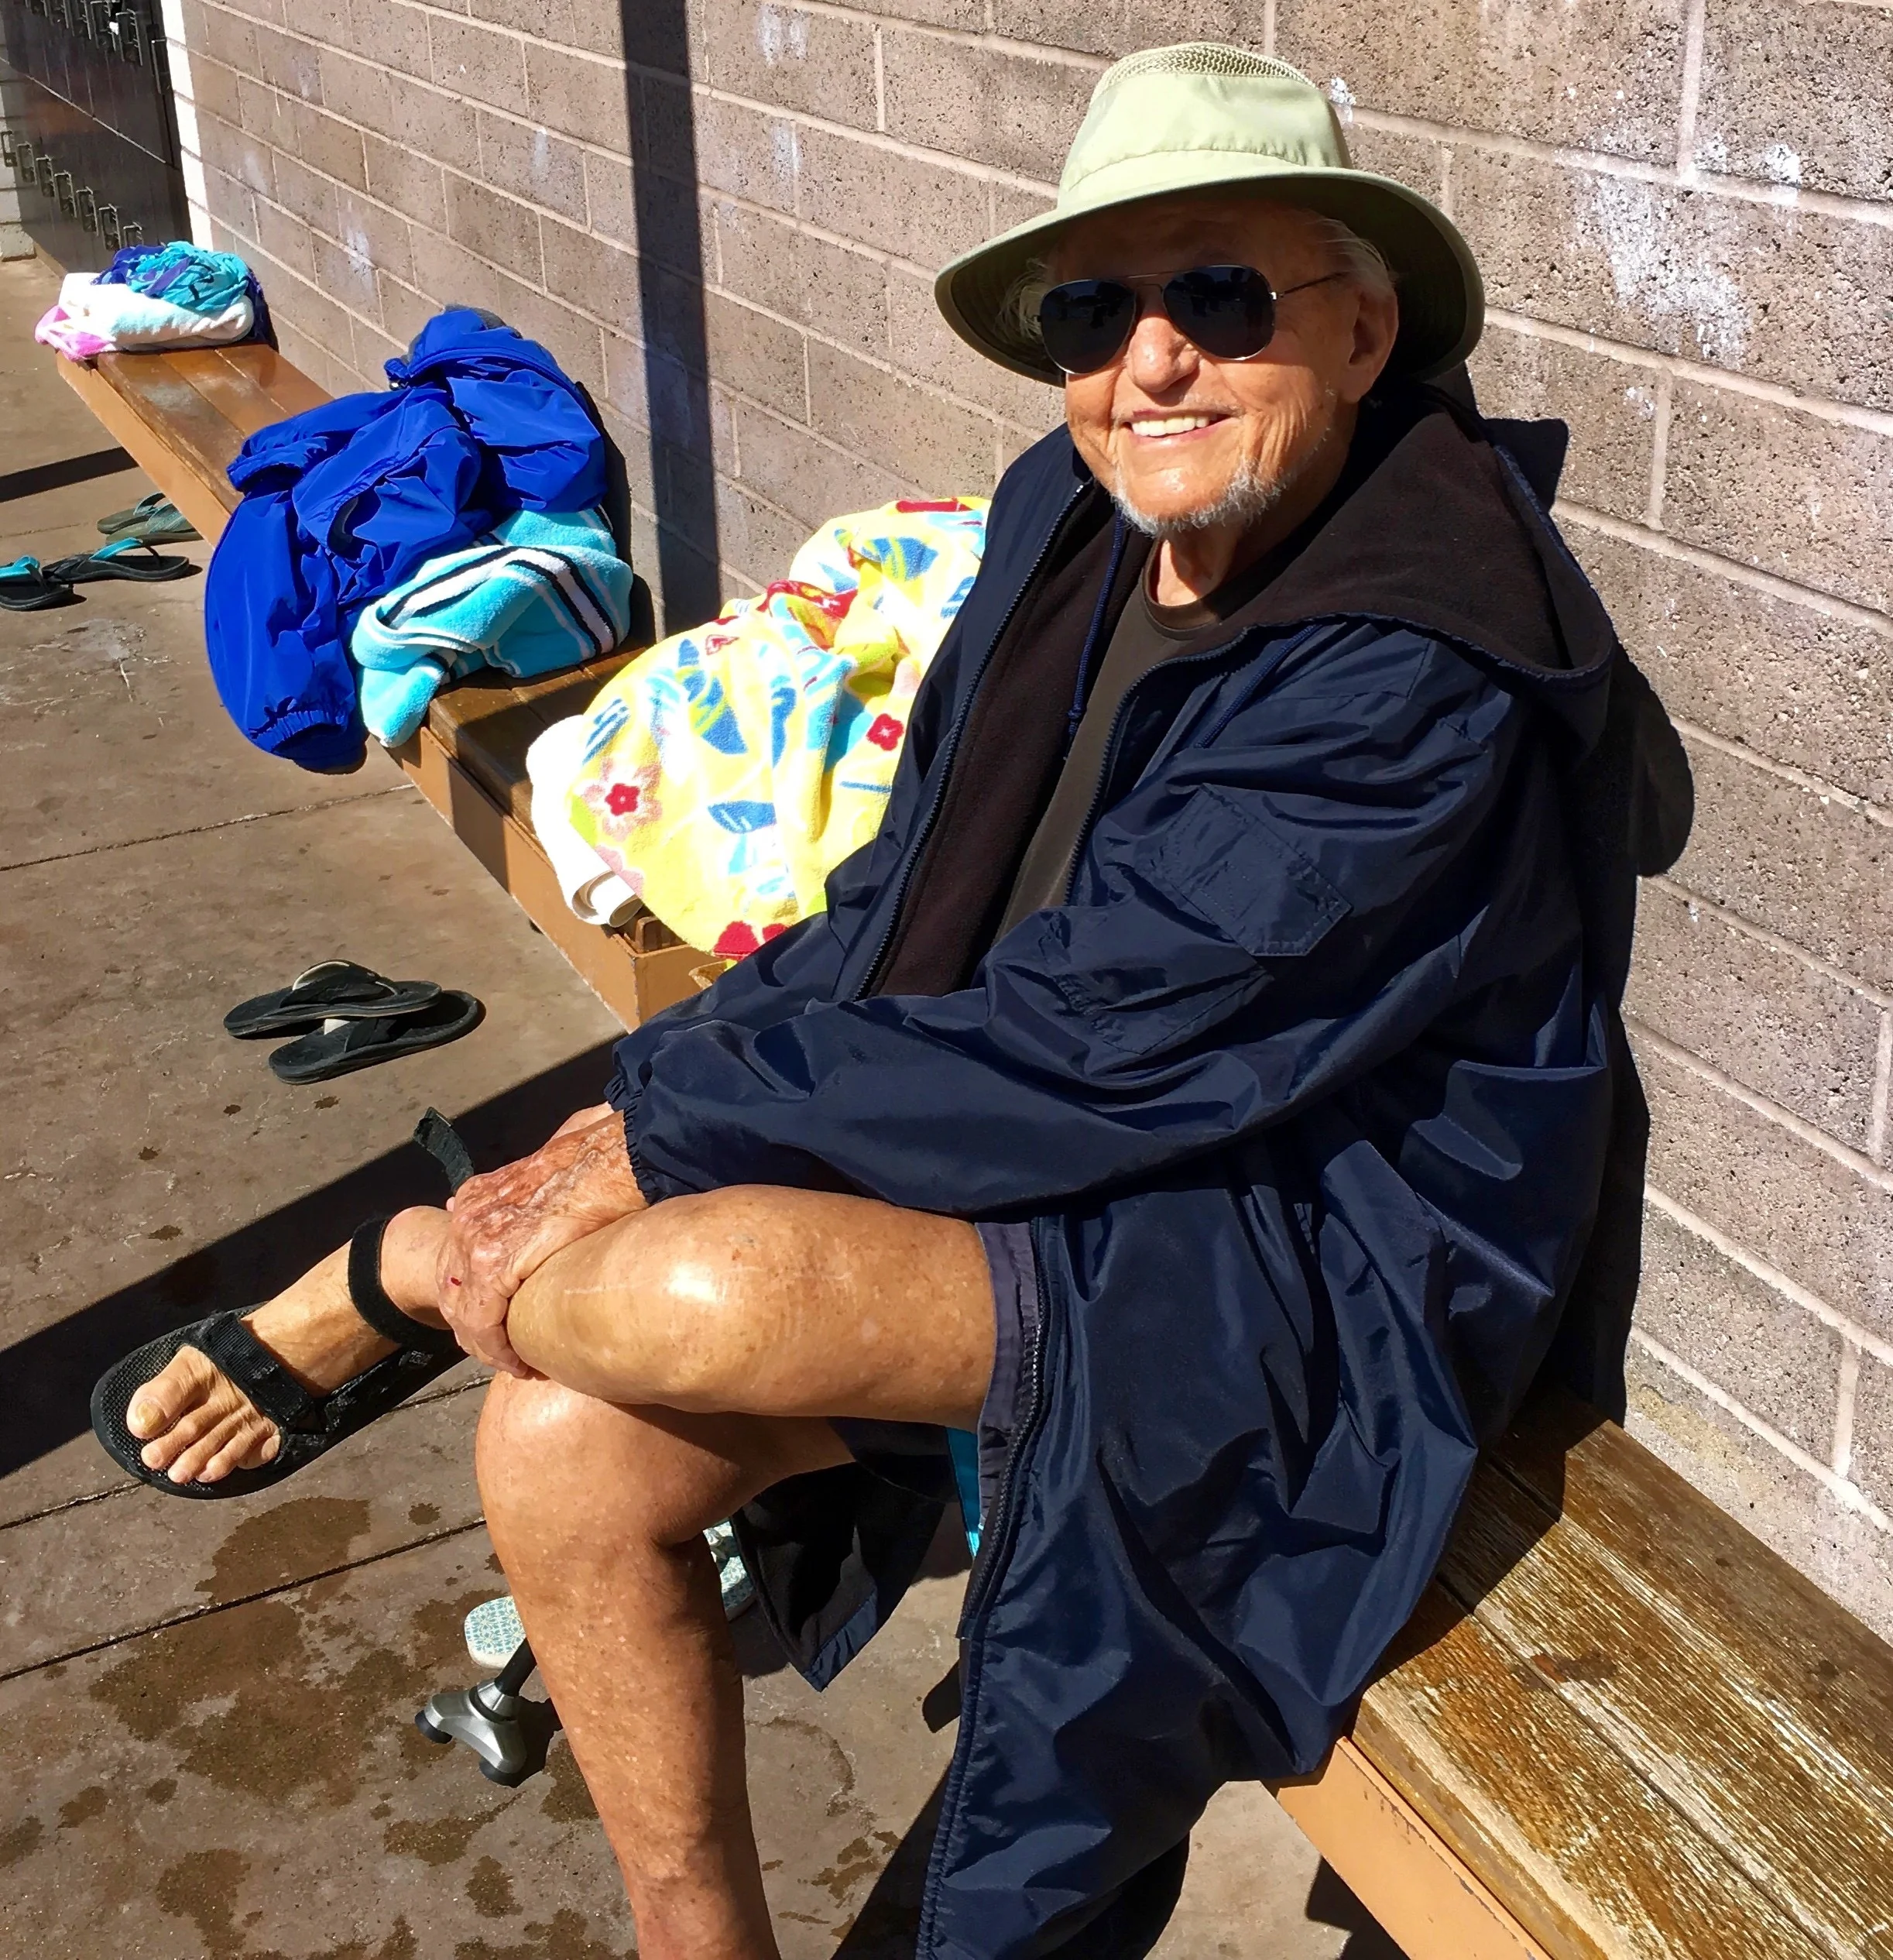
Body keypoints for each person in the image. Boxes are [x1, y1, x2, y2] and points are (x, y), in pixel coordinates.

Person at [95, 46, 1687, 1960]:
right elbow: (898, 902)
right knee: (558, 1445)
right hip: (1064, 1141)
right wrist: (626, 1112)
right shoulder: (1073, 522)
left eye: (1222, 296)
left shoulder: (1412, 653)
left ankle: (411, 1262)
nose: (1151, 359)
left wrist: (634, 1144)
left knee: (686, 1283)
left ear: (1360, 335)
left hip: (1299, 1242)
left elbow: (1101, 1039)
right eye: (1094, 314)